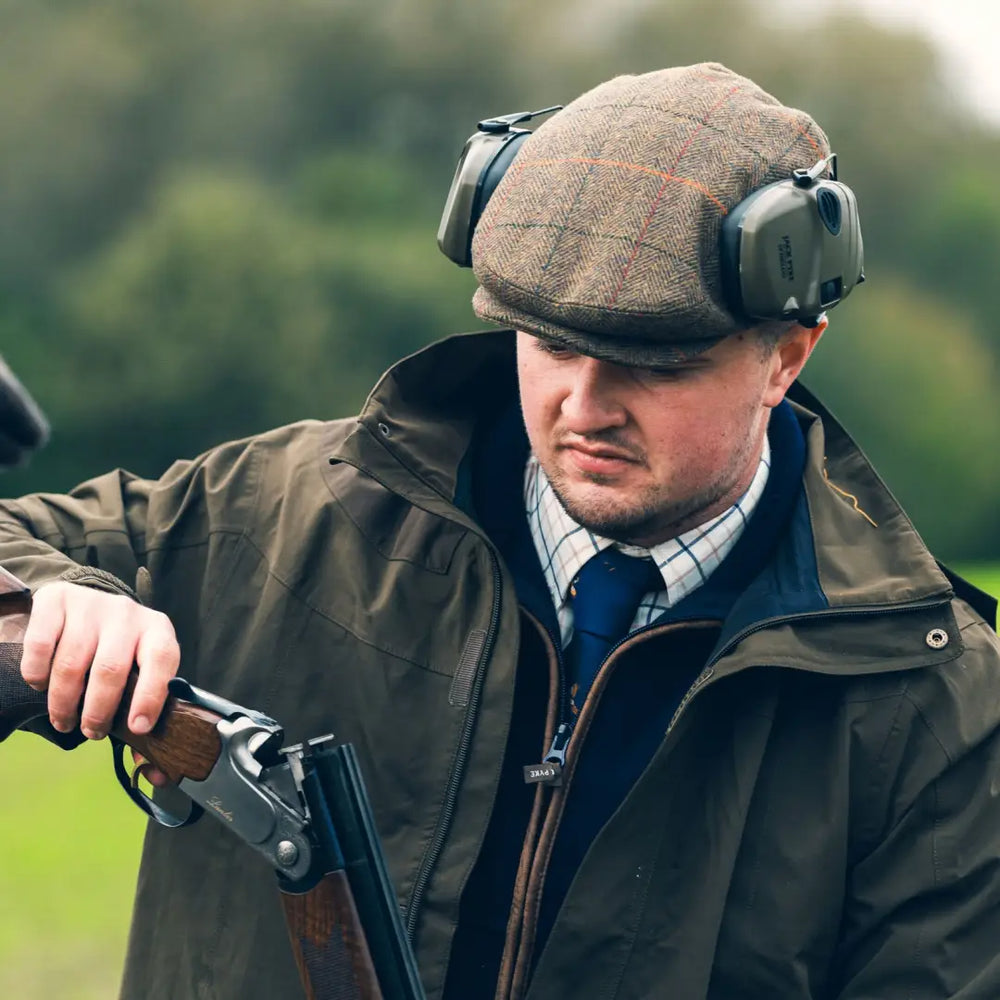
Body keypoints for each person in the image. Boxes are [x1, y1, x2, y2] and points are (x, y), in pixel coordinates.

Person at [4, 63, 1000, 1000]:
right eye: (550, 341)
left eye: (650, 362)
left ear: (786, 355)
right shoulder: (281, 509)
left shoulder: (937, 705)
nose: (583, 403)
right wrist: (60, 603)